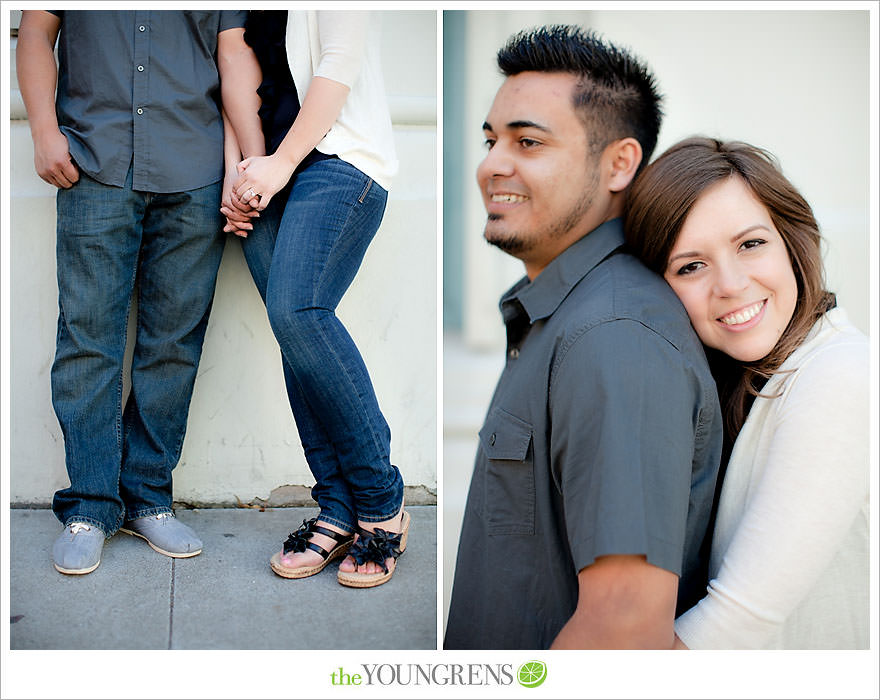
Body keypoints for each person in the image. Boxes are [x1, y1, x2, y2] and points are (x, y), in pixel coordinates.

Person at [443, 25, 723, 649]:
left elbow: (624, 629)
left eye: (528, 142)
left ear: (619, 162)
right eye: (491, 140)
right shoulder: (562, 315)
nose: (492, 165)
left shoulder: (616, 337)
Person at [16, 10, 257, 574]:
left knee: (173, 343)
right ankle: (91, 507)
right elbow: (33, 33)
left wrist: (246, 164)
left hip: (194, 171)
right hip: (93, 165)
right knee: (87, 339)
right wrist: (43, 131)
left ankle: (148, 497)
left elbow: (232, 54)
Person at [625, 137, 869, 649]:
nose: (731, 284)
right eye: (691, 266)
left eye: (750, 244)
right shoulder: (742, 383)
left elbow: (733, 624)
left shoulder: (838, 374)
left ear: (791, 240)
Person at [220, 10, 408, 588]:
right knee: (294, 334)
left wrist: (277, 166)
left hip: (334, 164)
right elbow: (231, 70)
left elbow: (338, 65)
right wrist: (240, 174)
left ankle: (382, 502)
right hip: (265, 170)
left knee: (298, 313)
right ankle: (337, 509)